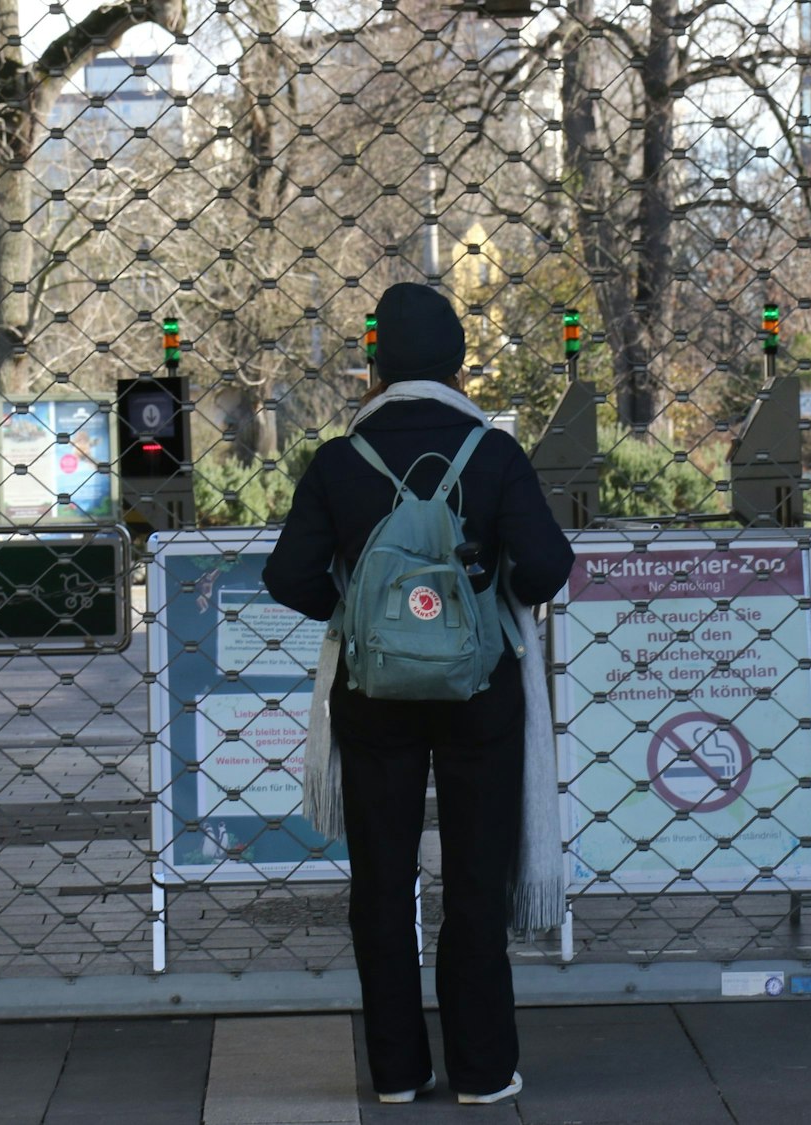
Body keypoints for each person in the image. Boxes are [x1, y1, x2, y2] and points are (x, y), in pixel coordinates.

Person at [264, 282, 573, 1107]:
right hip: (481, 696)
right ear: (457, 363)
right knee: (474, 877)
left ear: (377, 365)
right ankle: (482, 1069)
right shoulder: (495, 454)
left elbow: (286, 574)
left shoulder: (337, 460)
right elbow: (547, 568)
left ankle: (397, 1071)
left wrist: (362, 619)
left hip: (374, 696)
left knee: (381, 879)